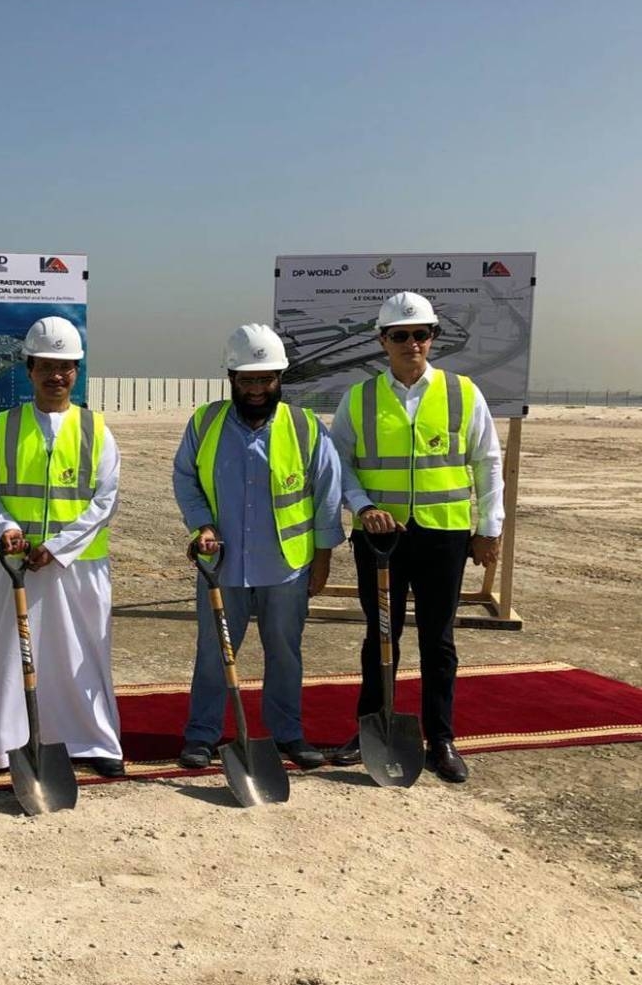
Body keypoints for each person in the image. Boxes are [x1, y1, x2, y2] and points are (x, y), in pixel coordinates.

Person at [328, 291, 504, 783]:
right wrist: (362, 508)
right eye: (400, 335)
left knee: (439, 640)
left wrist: (489, 528)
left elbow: (487, 461)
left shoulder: (462, 392)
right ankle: (371, 728)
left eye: (421, 334)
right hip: (380, 538)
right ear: (382, 341)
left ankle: (440, 737)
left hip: (444, 536)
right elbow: (338, 462)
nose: (412, 343)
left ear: (433, 338)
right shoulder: (359, 398)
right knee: (381, 636)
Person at [173, 324, 344, 770]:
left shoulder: (305, 428)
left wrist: (322, 558)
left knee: (284, 653)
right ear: (230, 378)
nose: (256, 389)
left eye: (265, 379)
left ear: (279, 379)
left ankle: (288, 734)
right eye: (247, 379)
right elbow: (185, 478)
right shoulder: (205, 423)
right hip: (222, 567)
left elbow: (326, 495)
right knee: (213, 652)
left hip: (286, 567)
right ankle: (202, 735)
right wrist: (201, 525)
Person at [0, 316, 124, 777]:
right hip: (18, 566)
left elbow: (105, 499)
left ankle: (93, 743)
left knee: (85, 654)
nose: (57, 375)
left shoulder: (97, 430)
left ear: (77, 371)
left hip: (80, 568)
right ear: (30, 368)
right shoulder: (4, 427)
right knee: (14, 653)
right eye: (47, 366)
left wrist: (58, 547)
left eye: (67, 367)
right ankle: (8, 745)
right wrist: (4, 529)